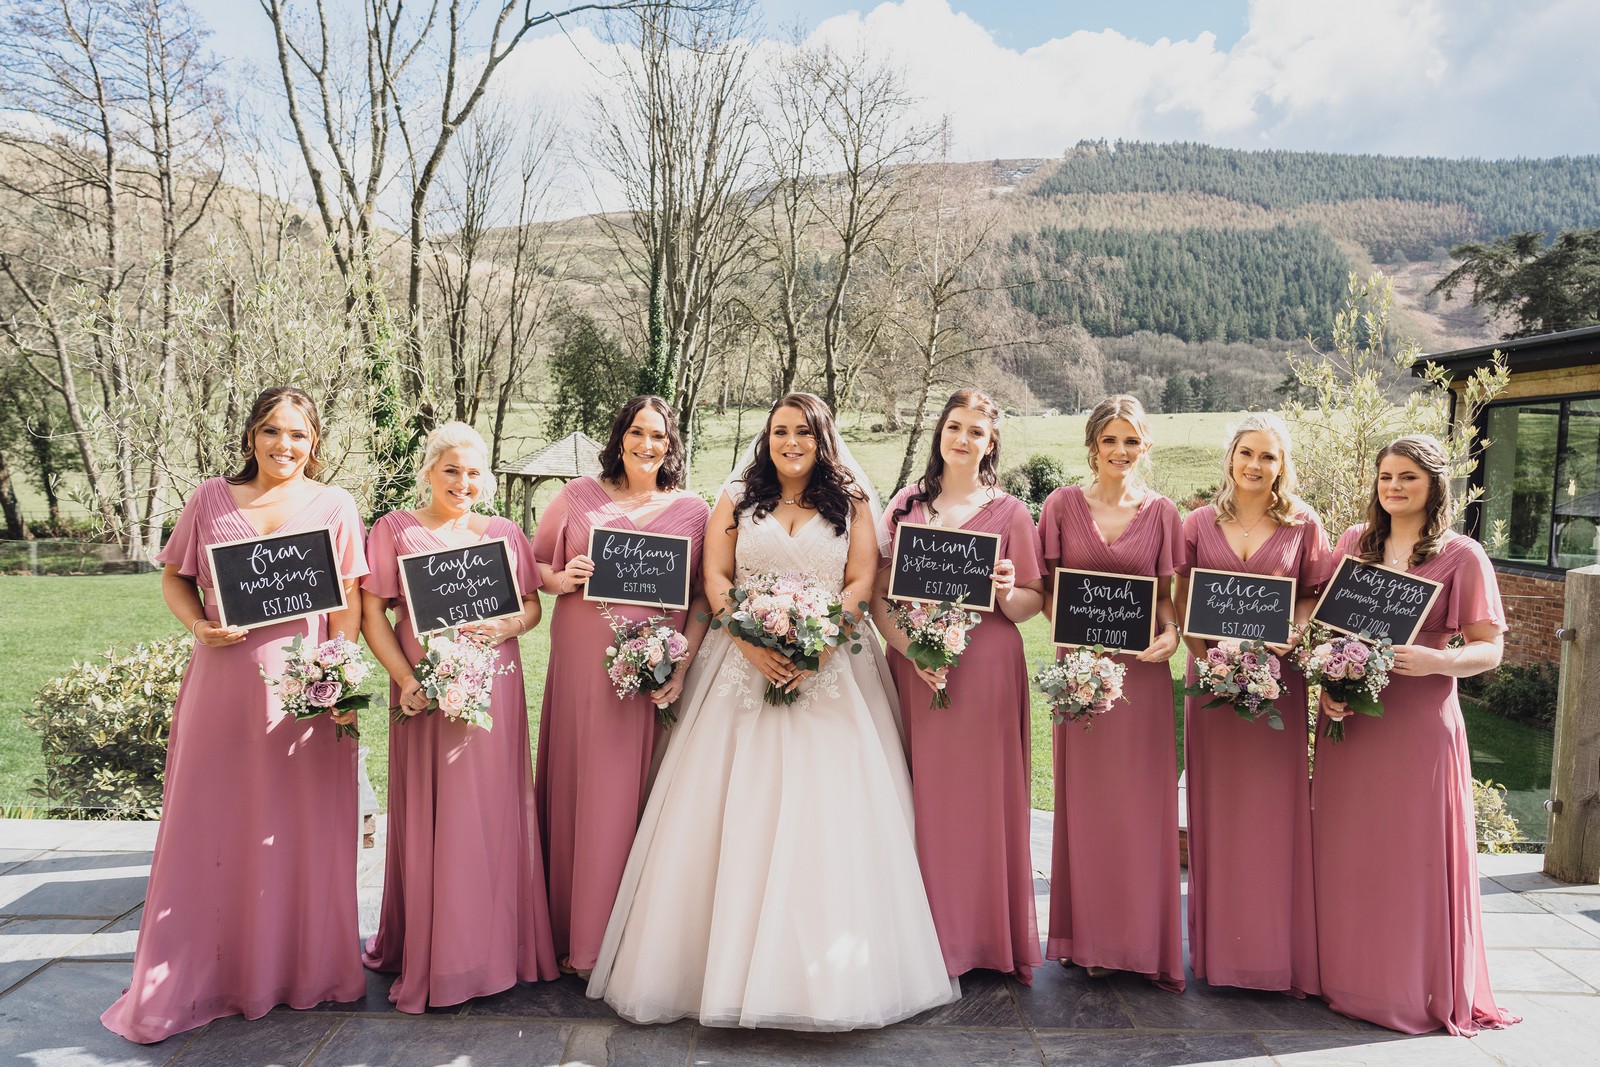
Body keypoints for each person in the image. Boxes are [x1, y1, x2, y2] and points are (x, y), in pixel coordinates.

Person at [586, 392, 958, 1029]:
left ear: (822, 439)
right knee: (728, 808)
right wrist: (750, 643)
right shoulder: (737, 497)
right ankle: (714, 972)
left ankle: (828, 982)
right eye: (780, 431)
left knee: (830, 816)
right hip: (739, 667)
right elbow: (716, 578)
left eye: (804, 432)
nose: (791, 442)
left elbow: (860, 583)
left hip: (832, 670)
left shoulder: (852, 502)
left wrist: (821, 645)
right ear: (767, 438)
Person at [103, 387, 367, 1043]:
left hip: (305, 694)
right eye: (272, 430)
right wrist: (198, 624)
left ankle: (297, 970)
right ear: (251, 435)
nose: (284, 444)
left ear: (315, 442)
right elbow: (174, 576)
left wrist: (341, 683)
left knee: (298, 827)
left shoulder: (336, 505)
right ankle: (209, 972)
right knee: (212, 825)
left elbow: (348, 603)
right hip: (222, 688)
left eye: (298, 434)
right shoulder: (209, 499)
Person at [1313, 435, 1519, 1035]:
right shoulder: (1354, 544)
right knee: (1348, 848)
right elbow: (1327, 630)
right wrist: (1327, 686)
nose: (1394, 487)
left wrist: (1438, 661)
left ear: (1434, 485)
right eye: (1386, 476)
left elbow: (1490, 648)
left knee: (1410, 855)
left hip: (1419, 723)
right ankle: (1344, 977)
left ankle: (1406, 988)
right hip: (1351, 721)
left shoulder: (1462, 555)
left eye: (1408, 477)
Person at [360, 421, 557, 1011]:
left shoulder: (504, 533)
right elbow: (372, 614)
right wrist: (406, 679)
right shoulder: (393, 529)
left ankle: (492, 946)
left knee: (488, 810)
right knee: (434, 813)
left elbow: (531, 607)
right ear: (429, 471)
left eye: (473, 473)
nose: (462, 482)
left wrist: (508, 624)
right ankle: (436, 949)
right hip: (422, 689)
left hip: (494, 686)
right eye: (451, 470)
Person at [870, 388, 1044, 984]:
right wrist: (910, 649)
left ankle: (985, 937)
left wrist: (1007, 590)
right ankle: (923, 938)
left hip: (988, 668)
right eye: (954, 427)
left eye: (976, 431)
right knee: (921, 796)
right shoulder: (905, 505)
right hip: (917, 665)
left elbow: (1030, 604)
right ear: (939, 432)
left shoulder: (1012, 513)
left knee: (983, 800)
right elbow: (877, 593)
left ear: (991, 443)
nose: (963, 439)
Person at [533, 396, 711, 975]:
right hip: (583, 659)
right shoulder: (577, 495)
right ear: (620, 437)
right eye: (637, 432)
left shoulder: (694, 511)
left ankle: (624, 937)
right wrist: (561, 578)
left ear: (671, 444)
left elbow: (704, 597)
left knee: (631, 789)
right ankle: (569, 931)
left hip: (651, 666)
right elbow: (531, 566)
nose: (646, 444)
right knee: (580, 780)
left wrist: (680, 663)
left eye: (658, 436)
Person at [1173, 414, 1327, 995]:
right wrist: (1206, 656)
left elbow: (1313, 595)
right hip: (1211, 684)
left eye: (1268, 456)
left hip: (1276, 683)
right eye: (1246, 453)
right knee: (1215, 809)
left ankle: (1271, 951)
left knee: (1271, 810)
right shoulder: (1197, 523)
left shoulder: (1304, 524)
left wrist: (1293, 631)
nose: (1255, 465)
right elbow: (1181, 599)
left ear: (1282, 464)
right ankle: (1219, 952)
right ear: (1230, 457)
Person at [1037, 394, 1185, 991]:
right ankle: (1089, 938)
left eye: (1131, 441)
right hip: (1081, 676)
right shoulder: (1060, 505)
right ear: (1092, 445)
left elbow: (1168, 598)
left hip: (1143, 676)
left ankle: (1138, 941)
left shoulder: (1164, 513)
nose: (1120, 451)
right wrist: (1068, 637)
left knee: (1140, 808)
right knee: (1088, 805)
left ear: (1145, 447)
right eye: (1109, 440)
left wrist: (1172, 634)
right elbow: (1045, 589)